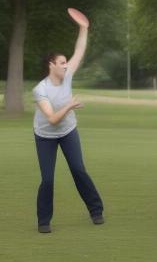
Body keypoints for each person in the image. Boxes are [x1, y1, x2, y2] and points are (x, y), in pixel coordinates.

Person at [32, 21, 104, 233]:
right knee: (47, 179)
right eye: (61, 63)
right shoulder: (40, 90)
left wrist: (84, 28)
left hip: (68, 132)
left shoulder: (67, 75)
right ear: (51, 65)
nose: (66, 65)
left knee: (78, 170)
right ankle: (44, 221)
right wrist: (70, 105)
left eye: (66, 63)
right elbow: (53, 119)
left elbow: (79, 50)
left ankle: (96, 210)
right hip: (45, 136)